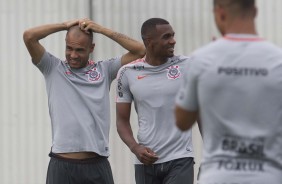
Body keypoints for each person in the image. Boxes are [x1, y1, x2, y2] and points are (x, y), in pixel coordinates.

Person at [23, 18, 145, 184]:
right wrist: (64, 25)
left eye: (79, 50)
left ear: (91, 48)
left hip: (97, 164)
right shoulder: (52, 67)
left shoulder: (104, 70)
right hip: (62, 165)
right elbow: (29, 36)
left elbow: (140, 50)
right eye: (69, 48)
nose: (73, 55)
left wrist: (102, 29)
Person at [175, 0, 282, 183]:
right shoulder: (277, 60)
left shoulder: (201, 59)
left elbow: (182, 121)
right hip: (267, 175)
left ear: (220, 13)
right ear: (255, 11)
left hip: (217, 175)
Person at [116, 18, 194, 184]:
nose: (173, 41)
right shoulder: (127, 72)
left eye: (172, 36)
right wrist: (135, 148)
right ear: (149, 42)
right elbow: (122, 121)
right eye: (166, 37)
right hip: (146, 161)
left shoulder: (188, 66)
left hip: (181, 157)